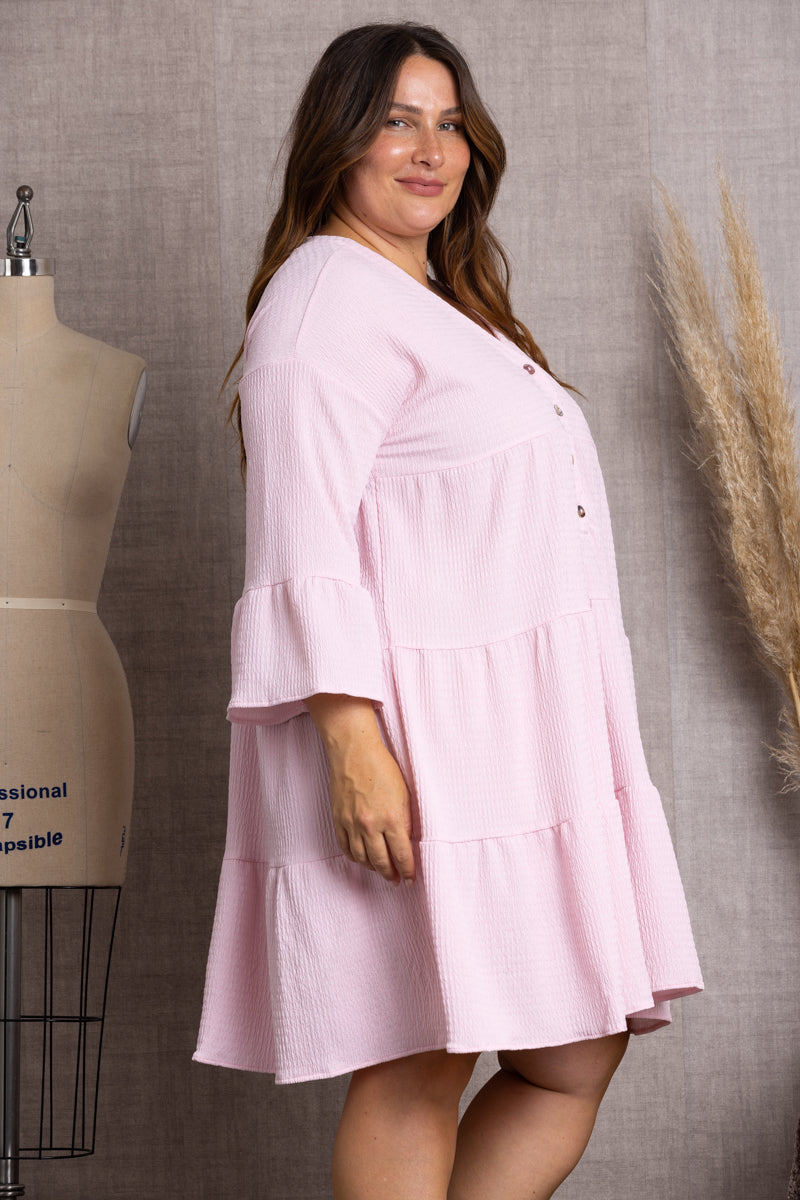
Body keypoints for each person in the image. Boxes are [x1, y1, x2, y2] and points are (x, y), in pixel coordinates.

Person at [194, 22, 703, 1200]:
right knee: (418, 1063)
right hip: (419, 744)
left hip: (508, 740)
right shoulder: (324, 298)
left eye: (449, 124)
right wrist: (351, 743)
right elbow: (298, 538)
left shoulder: (430, 300)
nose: (429, 150)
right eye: (394, 121)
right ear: (337, 141)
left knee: (569, 1051)